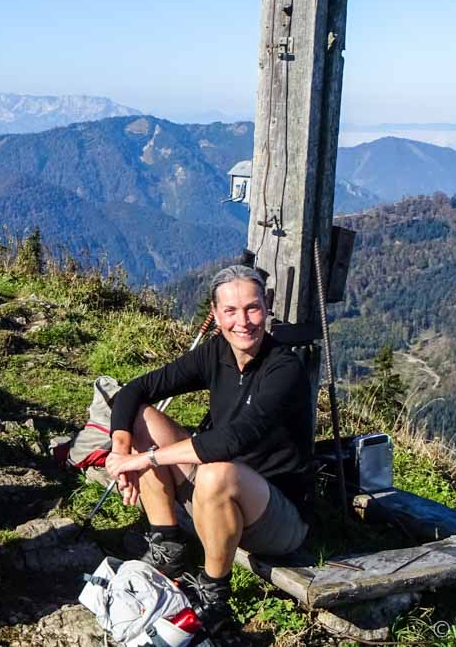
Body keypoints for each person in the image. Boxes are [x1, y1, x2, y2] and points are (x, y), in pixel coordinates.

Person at [104, 265, 313, 645]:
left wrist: (144, 460)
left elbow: (233, 440)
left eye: (252, 308)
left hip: (277, 517)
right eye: (230, 311)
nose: (243, 322)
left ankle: (213, 595)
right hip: (217, 491)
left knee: (217, 473)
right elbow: (135, 390)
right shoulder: (217, 352)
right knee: (141, 419)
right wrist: (120, 451)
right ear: (215, 315)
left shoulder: (284, 369)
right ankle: (168, 546)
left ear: (267, 307)